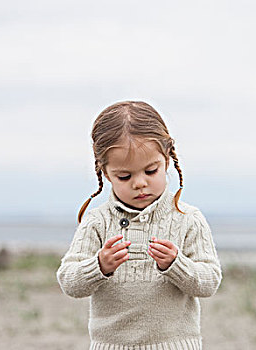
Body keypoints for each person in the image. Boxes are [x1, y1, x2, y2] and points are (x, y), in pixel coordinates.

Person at [56, 101, 222, 350]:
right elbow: (69, 282)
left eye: (151, 171)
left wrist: (177, 265)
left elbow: (209, 282)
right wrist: (99, 266)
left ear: (166, 160)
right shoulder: (97, 221)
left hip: (175, 345)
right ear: (106, 173)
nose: (140, 183)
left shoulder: (188, 218)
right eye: (125, 176)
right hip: (112, 345)